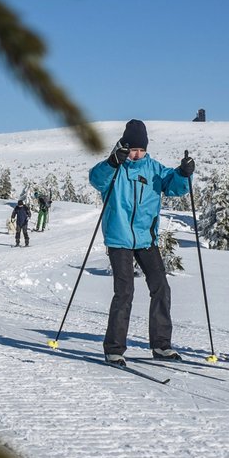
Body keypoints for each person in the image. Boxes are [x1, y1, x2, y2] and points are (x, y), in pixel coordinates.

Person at [89, 119, 195, 366]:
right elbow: (96, 179)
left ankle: (161, 346)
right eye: (133, 149)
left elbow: (174, 186)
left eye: (141, 150)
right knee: (124, 291)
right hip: (119, 238)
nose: (137, 154)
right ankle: (114, 349)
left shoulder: (154, 169)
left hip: (146, 239)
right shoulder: (114, 168)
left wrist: (183, 173)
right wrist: (113, 162)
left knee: (161, 287)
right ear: (124, 147)